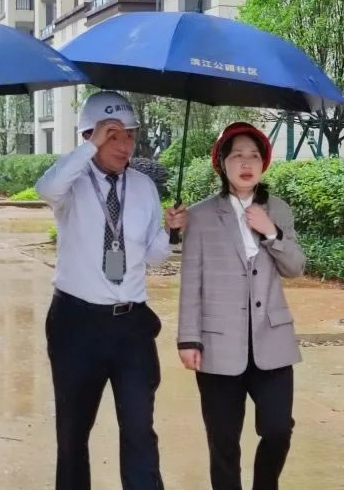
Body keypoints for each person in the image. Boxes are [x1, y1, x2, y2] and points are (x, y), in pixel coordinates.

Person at [35, 91, 187, 490]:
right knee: (73, 433)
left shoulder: (143, 187)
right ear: (90, 135)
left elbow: (153, 256)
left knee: (139, 430)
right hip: (76, 324)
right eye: (112, 135)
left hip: (131, 326)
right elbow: (45, 188)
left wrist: (171, 232)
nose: (123, 145)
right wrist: (90, 147)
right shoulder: (71, 184)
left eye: (129, 135)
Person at [176, 122, 306, 490]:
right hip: (218, 344)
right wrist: (188, 338)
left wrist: (271, 232)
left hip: (272, 341)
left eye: (254, 156)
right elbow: (192, 280)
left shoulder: (278, 210)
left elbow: (295, 268)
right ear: (222, 163)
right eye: (237, 156)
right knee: (223, 439)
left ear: (264, 163)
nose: (246, 164)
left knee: (278, 428)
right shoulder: (200, 215)